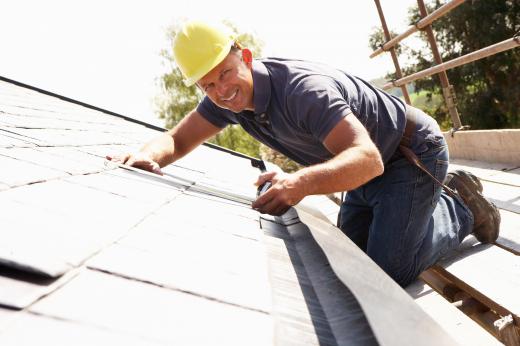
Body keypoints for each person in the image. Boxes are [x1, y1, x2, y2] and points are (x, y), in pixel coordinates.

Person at [107, 21, 500, 287]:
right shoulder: (226, 101)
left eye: (225, 73)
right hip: (362, 169)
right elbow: (177, 141)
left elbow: (368, 159)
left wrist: (300, 182)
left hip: (407, 155)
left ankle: (461, 206)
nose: (221, 91)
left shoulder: (302, 91)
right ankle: (422, 207)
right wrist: (145, 156)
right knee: (349, 260)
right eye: (208, 85)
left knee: (386, 272)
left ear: (244, 57)